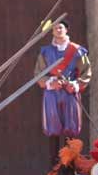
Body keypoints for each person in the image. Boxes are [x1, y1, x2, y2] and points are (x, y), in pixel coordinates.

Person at [37, 21, 92, 158]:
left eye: (60, 27)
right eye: (55, 28)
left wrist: (75, 84)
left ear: (66, 29)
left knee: (71, 127)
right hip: (52, 92)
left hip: (69, 92)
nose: (58, 30)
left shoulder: (78, 50)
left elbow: (86, 72)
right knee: (53, 127)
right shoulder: (45, 52)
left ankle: (70, 165)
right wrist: (50, 82)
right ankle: (54, 166)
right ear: (52, 31)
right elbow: (39, 73)